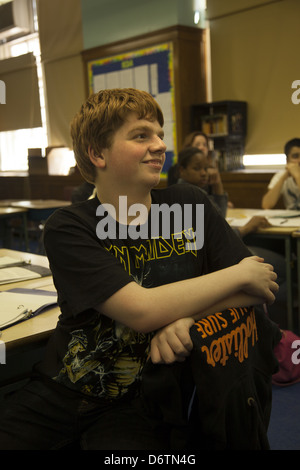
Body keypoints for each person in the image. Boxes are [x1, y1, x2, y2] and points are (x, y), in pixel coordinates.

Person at [0, 88, 279, 450]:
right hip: (61, 391)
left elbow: (261, 287)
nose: (160, 145)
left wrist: (187, 320)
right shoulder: (70, 225)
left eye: (160, 135)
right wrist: (238, 273)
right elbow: (142, 310)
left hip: (143, 402)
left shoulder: (189, 203)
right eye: (141, 135)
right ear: (97, 153)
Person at [176, 146, 287, 302]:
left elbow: (218, 220)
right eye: (197, 168)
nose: (204, 173)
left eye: (206, 168)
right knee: (284, 266)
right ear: (182, 170)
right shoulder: (189, 194)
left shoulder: (194, 190)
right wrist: (246, 228)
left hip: (216, 254)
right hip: (214, 258)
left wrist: (217, 184)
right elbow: (214, 240)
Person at [262, 138, 300, 210]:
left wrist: (298, 176)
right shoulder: (281, 175)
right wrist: (283, 178)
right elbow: (266, 205)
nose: (299, 160)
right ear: (287, 160)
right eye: (295, 156)